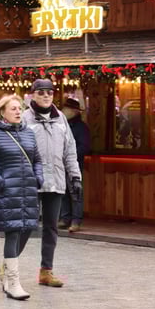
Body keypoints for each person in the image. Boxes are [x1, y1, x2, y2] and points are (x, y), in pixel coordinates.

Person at [0, 94, 43, 301]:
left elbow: (37, 159)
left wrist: (38, 178)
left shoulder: (29, 133)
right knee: (13, 232)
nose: (18, 112)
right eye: (13, 108)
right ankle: (13, 282)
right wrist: (0, 182)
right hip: (7, 192)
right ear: (2, 112)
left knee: (28, 229)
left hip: (28, 191)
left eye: (19, 108)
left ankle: (6, 270)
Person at [22, 79, 82, 288]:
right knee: (25, 225)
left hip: (56, 180)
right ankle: (9, 267)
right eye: (41, 92)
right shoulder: (24, 118)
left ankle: (46, 271)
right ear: (33, 94)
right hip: (31, 180)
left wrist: (75, 177)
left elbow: (70, 150)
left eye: (49, 92)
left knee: (51, 227)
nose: (46, 95)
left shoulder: (61, 119)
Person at [60, 97, 91, 232]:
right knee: (64, 192)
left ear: (73, 111)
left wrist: (69, 156)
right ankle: (65, 218)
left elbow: (84, 147)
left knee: (75, 192)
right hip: (61, 163)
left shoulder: (81, 128)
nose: (63, 111)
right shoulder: (62, 126)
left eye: (65, 109)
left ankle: (76, 221)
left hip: (74, 164)